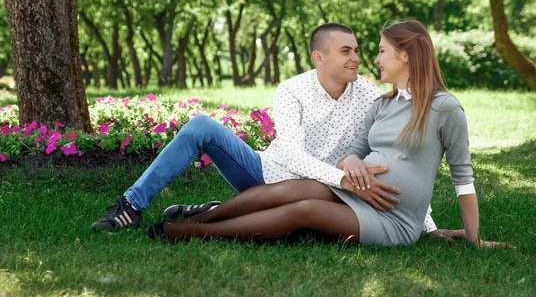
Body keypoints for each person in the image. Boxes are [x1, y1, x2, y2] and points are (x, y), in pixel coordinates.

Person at [145, 20, 504, 248]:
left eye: (379, 51)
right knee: (295, 189)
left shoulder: (445, 109)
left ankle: (193, 232)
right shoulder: (382, 104)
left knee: (304, 209)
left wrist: (467, 237)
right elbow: (353, 149)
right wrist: (349, 165)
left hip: (392, 218)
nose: (372, 60)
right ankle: (202, 217)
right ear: (320, 56)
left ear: (407, 56)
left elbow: (462, 179)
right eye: (364, 51)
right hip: (353, 190)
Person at [91, 22, 440, 237]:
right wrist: (341, 178)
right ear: (320, 58)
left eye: (358, 51)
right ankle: (130, 206)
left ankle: (212, 212)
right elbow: (290, 154)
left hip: (325, 196)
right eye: (345, 51)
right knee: (201, 126)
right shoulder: (292, 90)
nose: (356, 58)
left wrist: (427, 225)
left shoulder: (369, 96)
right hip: (267, 174)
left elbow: (399, 159)